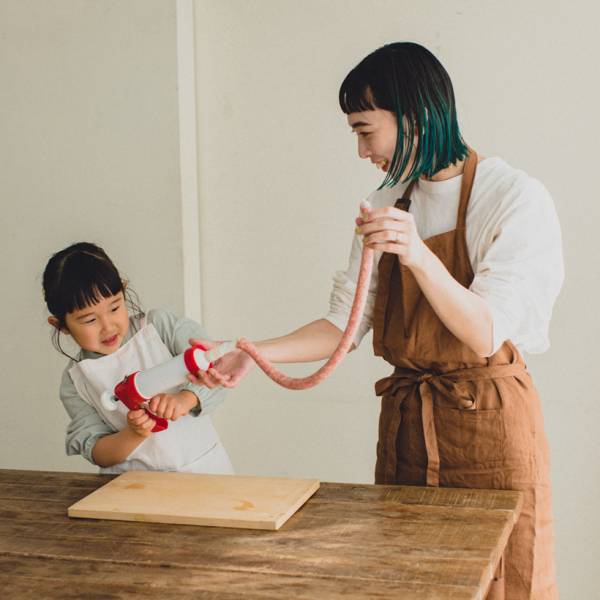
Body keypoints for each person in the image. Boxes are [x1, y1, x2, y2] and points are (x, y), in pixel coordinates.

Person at [192, 42, 563, 598]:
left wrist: (418, 256)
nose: (362, 151)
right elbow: (343, 323)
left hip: (489, 427)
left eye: (366, 131)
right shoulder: (387, 200)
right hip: (408, 425)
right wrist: (252, 352)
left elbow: (486, 331)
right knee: (407, 580)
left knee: (506, 583)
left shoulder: (512, 196)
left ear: (415, 115)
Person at [42, 241, 233, 475]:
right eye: (90, 320)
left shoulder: (159, 327)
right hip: (132, 486)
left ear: (123, 291)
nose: (108, 327)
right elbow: (97, 452)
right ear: (61, 325)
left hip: (205, 472)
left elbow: (219, 370)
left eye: (114, 308)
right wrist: (133, 433)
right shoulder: (76, 381)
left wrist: (185, 398)